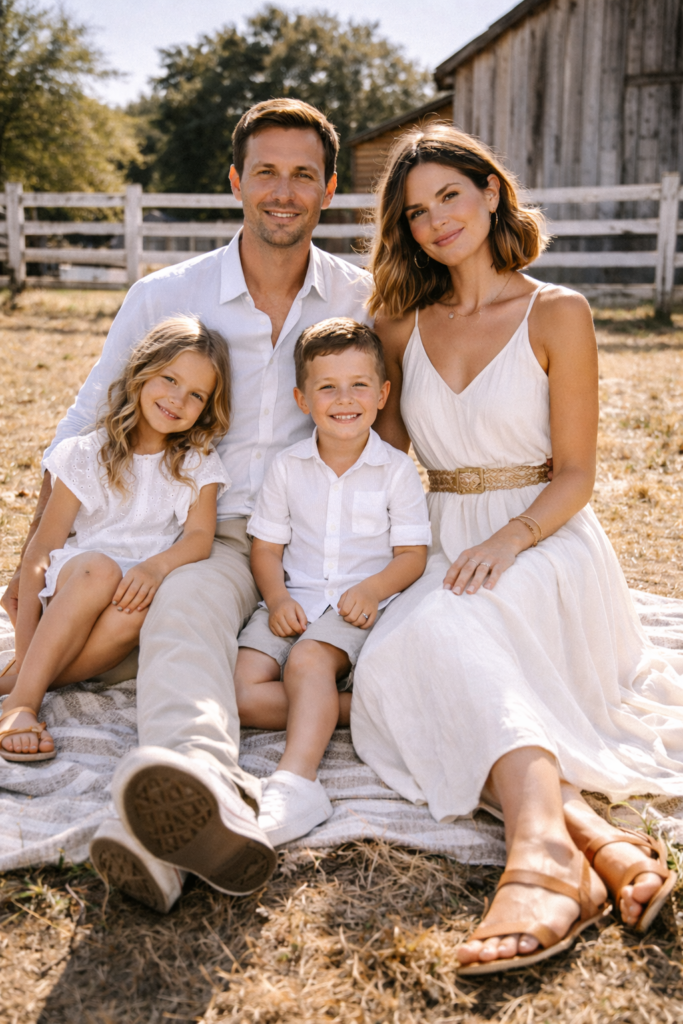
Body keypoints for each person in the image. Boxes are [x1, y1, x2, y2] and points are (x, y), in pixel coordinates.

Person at [1, 98, 372, 914]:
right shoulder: (168, 292)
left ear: (328, 188)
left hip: (322, 533)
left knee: (167, 628)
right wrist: (31, 558)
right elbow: (85, 418)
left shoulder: (358, 296)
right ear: (236, 180)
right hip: (207, 528)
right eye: (266, 172)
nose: (283, 190)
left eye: (303, 174)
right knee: (181, 608)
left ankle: (158, 831)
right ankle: (195, 786)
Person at [350, 124, 681, 975]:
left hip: (546, 538)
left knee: (435, 637)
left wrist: (512, 536)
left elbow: (575, 474)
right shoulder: (398, 323)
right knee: (392, 661)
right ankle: (591, 838)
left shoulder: (556, 311)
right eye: (415, 212)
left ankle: (537, 858)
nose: (433, 223)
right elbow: (383, 468)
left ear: (490, 191)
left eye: (448, 197)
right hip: (442, 540)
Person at [234, 318, 430, 844]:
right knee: (243, 692)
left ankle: (296, 782)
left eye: (359, 385)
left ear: (383, 393)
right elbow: (267, 549)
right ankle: (367, 708)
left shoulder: (395, 471)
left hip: (356, 608)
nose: (345, 399)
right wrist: (274, 599)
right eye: (327, 387)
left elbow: (412, 555)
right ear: (302, 398)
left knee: (307, 660)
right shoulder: (287, 467)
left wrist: (372, 589)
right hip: (293, 598)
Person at [0, 316, 230, 761]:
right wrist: (26, 640)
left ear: (207, 406)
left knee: (138, 607)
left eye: (196, 395)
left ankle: (20, 681)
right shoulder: (88, 453)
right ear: (142, 372)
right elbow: (40, 553)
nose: (177, 399)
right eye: (169, 379)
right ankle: (21, 702)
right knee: (99, 569)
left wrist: (155, 567)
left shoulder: (197, 461)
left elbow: (200, 538)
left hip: (128, 596)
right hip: (76, 582)